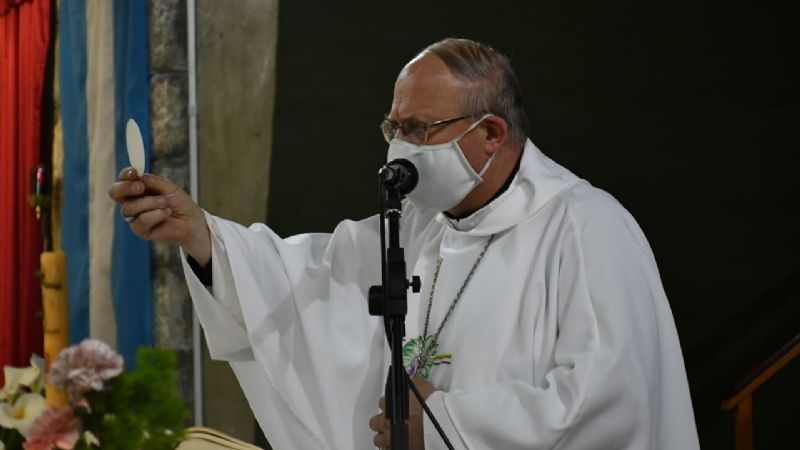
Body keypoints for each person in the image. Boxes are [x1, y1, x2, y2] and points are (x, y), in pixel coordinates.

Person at [109, 38, 699, 449]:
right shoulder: (420, 222)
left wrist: (442, 428)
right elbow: (306, 281)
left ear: (491, 133)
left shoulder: (586, 227)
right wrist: (200, 233)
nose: (399, 146)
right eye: (394, 127)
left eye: (419, 129)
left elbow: (608, 403)